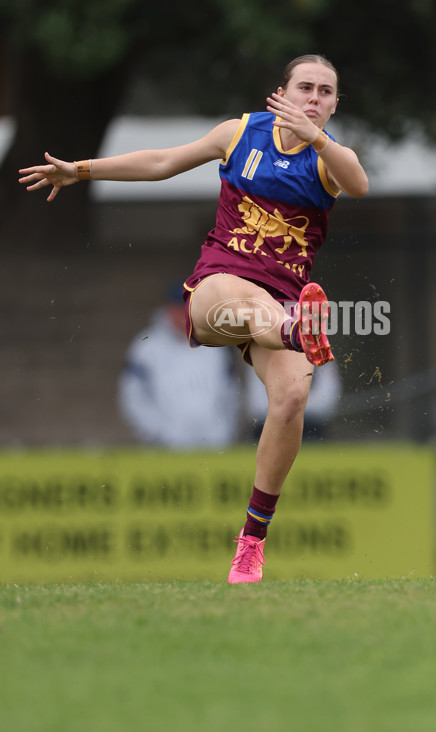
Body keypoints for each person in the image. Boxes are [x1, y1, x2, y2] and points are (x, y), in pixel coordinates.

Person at [18, 54, 369, 584]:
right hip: (218, 290)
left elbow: (359, 184)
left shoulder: (330, 158)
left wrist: (319, 140)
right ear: (283, 92)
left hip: (281, 302)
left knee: (293, 396)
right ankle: (297, 331)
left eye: (326, 92)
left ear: (335, 104)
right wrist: (82, 170)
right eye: (305, 88)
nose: (314, 98)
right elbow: (162, 161)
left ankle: (251, 541)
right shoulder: (241, 133)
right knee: (249, 307)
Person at [118, 288, 242, 449]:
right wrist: (157, 433)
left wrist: (225, 430)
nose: (182, 315)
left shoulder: (215, 344)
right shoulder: (147, 346)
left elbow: (231, 392)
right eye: (178, 309)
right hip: (167, 446)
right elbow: (133, 395)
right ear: (168, 309)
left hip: (215, 443)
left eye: (188, 308)